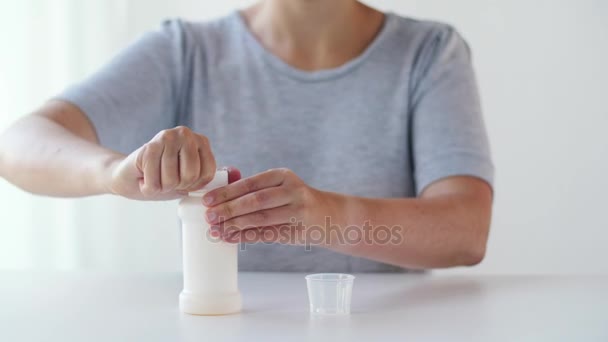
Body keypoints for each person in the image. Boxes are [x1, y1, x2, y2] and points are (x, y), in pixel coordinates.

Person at [0, 0, 494, 272]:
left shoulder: (429, 53)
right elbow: (17, 144)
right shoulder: (185, 50)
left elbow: (465, 232)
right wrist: (113, 172)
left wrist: (325, 216)